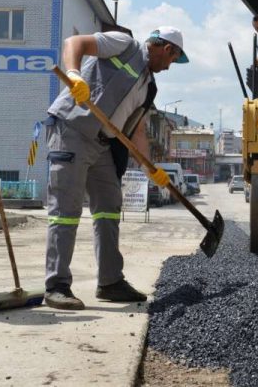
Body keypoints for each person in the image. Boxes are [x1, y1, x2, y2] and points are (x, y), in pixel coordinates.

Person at [43, 27, 186, 310]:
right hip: (72, 129)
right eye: (172, 59)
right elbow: (75, 42)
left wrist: (150, 168)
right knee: (66, 210)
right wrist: (73, 74)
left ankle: (110, 282)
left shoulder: (149, 86)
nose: (169, 67)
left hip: (102, 145)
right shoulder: (125, 45)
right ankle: (57, 285)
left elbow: (137, 131)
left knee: (109, 206)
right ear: (166, 48)